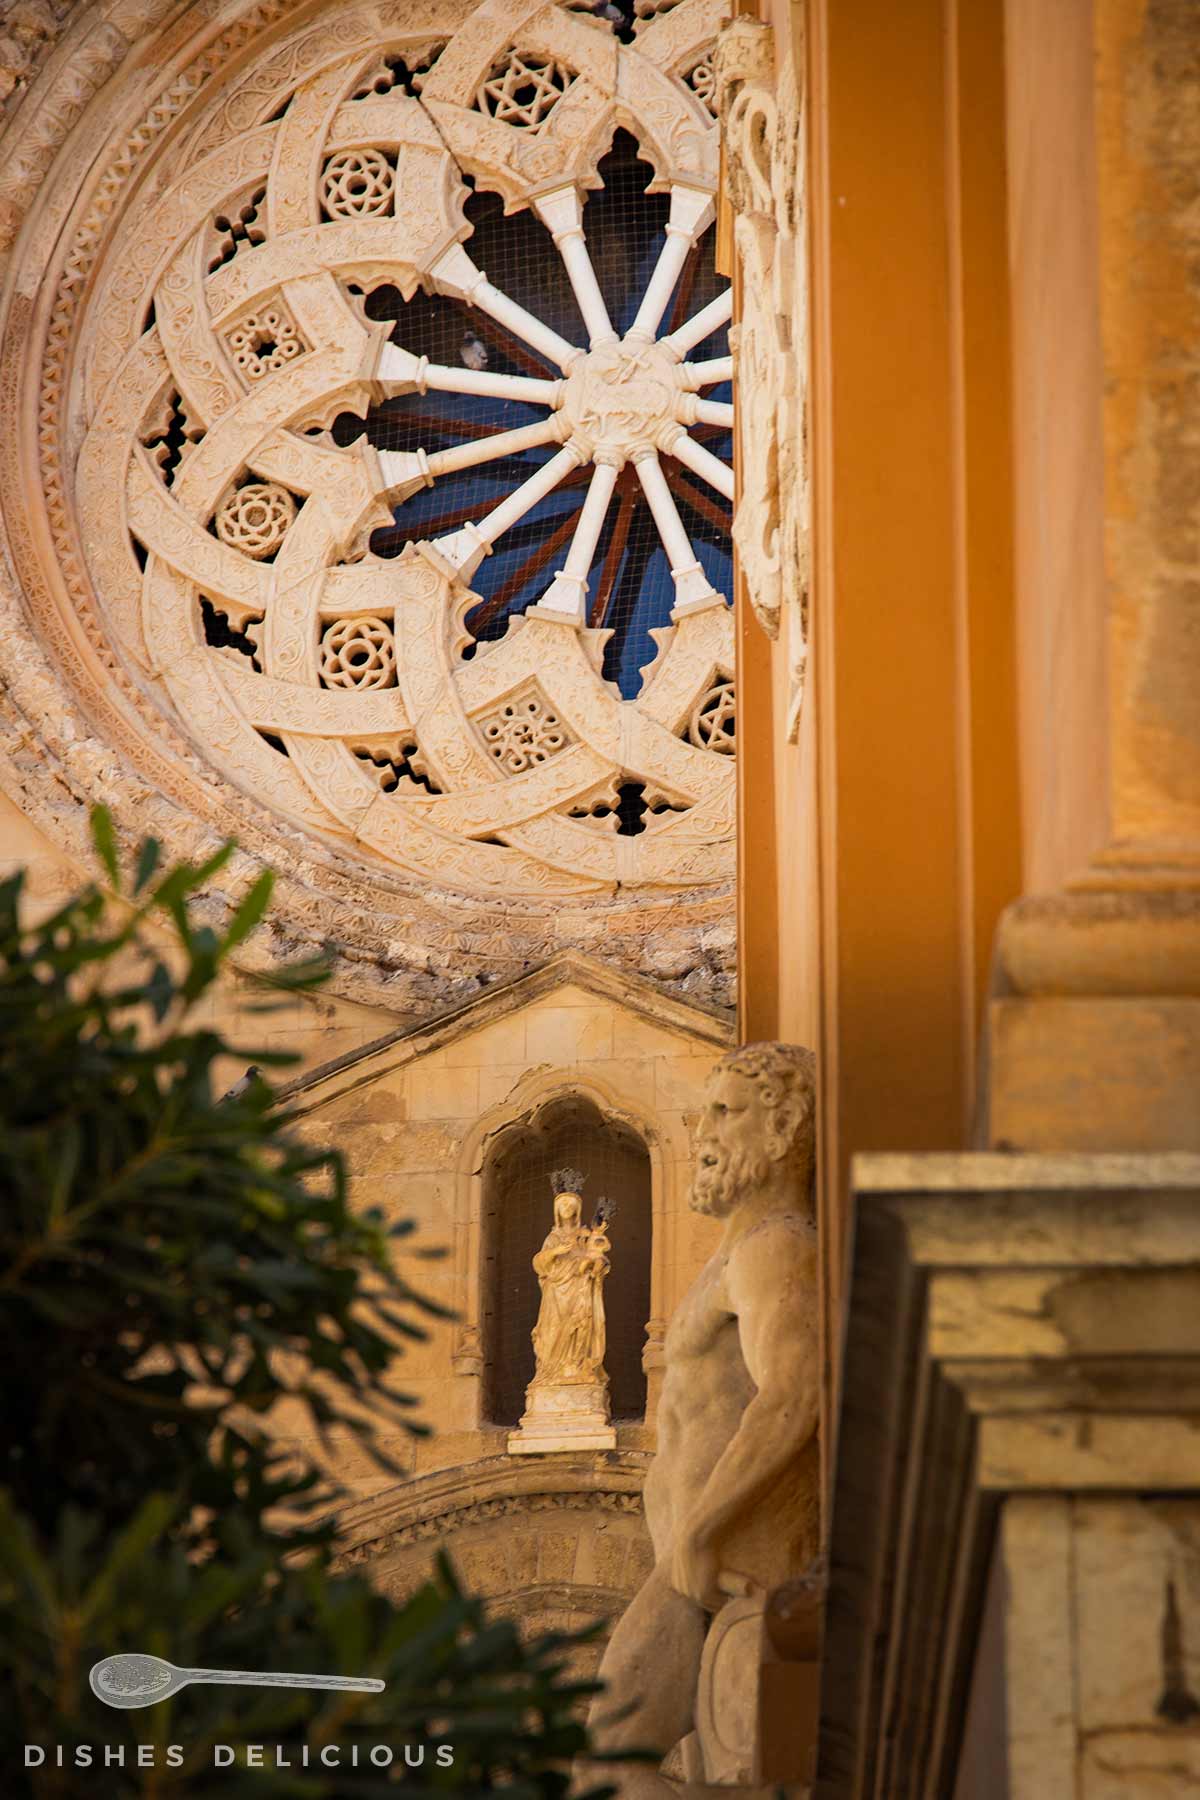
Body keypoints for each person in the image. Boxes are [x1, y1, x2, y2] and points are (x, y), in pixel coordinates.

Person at [586, 1044, 821, 1798]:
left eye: (726, 1111)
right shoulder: (737, 1255)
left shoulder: (774, 1247)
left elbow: (793, 1394)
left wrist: (699, 1529)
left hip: (713, 1560)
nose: (703, 1130)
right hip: (692, 1564)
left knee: (605, 1766)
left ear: (782, 1130)